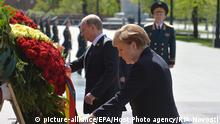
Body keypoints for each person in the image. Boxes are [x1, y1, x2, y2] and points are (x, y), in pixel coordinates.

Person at [86, 24, 181, 124]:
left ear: (133, 45)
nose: (119, 54)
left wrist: (93, 116)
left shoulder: (143, 66)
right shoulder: (152, 58)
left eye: (121, 49)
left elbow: (122, 97)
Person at [69, 14, 123, 123]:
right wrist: (62, 67)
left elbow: (111, 73)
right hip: (96, 102)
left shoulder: (108, 44)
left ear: (93, 27)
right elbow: (79, 62)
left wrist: (94, 93)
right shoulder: (93, 46)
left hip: (106, 102)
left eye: (83, 30)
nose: (82, 34)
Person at [144, 1, 176, 68]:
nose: (159, 16)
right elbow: (144, 45)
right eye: (157, 14)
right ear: (153, 15)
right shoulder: (147, 28)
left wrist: (172, 60)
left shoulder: (169, 29)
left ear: (165, 16)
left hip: (164, 59)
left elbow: (172, 46)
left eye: (161, 14)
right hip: (150, 59)